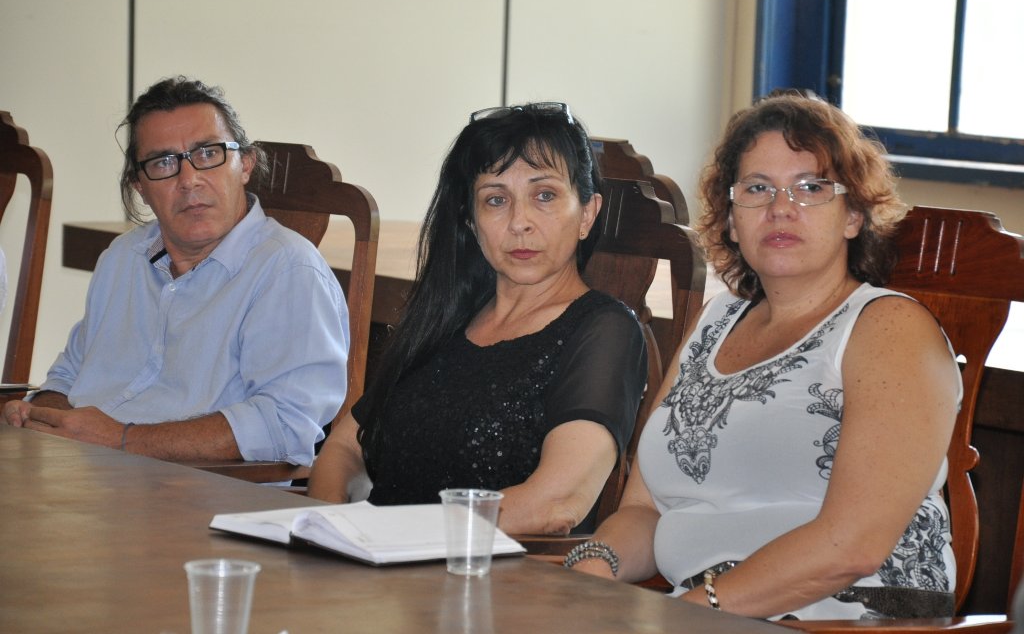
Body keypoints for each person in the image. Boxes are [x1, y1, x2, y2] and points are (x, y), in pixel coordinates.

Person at [566, 91, 962, 620]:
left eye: (811, 188)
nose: (781, 208)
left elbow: (853, 545)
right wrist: (590, 571)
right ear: (732, 220)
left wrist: (687, 615)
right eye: (757, 188)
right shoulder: (716, 320)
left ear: (853, 215)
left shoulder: (888, 327)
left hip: (850, 618)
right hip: (712, 614)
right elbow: (646, 510)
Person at [306, 102, 647, 535]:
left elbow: (556, 503)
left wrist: (395, 537)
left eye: (544, 196)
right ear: (471, 220)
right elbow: (344, 448)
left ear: (587, 214)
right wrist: (326, 530)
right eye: (496, 200)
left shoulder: (605, 331)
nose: (520, 222)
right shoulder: (448, 316)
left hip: (483, 570)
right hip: (372, 560)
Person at [1, 76, 348, 465]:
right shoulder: (123, 257)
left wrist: (122, 440)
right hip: (85, 471)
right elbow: (68, 377)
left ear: (245, 165)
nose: (189, 180)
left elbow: (285, 424)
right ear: (139, 186)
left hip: (192, 489)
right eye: (163, 162)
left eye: (208, 153)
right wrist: (39, 414)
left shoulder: (288, 271)